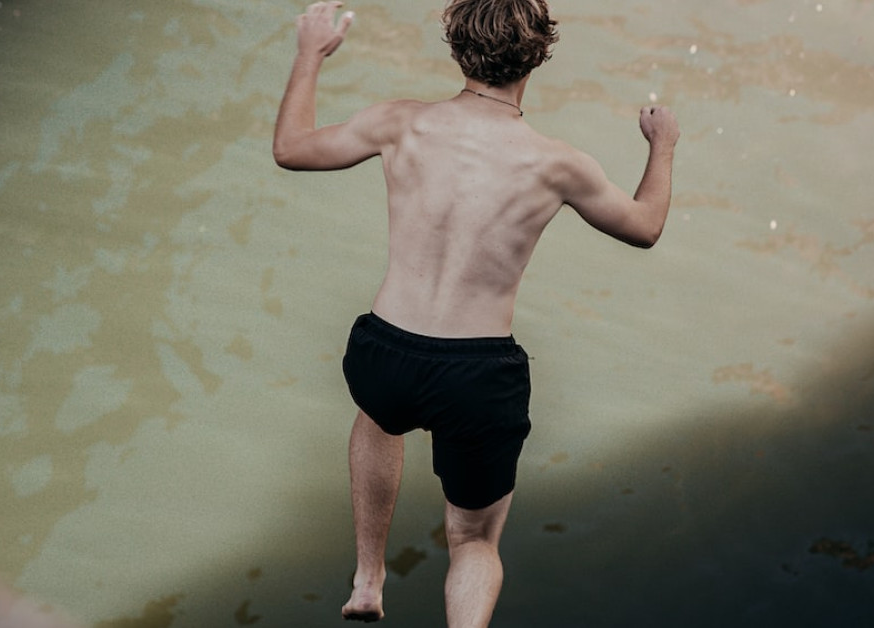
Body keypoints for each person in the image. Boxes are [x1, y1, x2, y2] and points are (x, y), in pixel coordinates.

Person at [273, 1, 679, 625]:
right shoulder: (558, 164)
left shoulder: (399, 123)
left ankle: (367, 579)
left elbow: (292, 148)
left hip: (386, 348)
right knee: (473, 540)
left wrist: (309, 54)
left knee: (379, 415)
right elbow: (646, 227)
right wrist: (663, 144)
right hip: (477, 371)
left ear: (457, 47)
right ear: (540, 53)